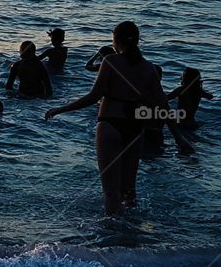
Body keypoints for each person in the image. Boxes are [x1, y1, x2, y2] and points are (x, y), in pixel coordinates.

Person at [45, 21, 183, 216]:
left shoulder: (110, 61)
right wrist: (178, 137)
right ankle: (132, 236)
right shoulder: (149, 68)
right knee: (129, 192)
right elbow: (163, 106)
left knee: (111, 193)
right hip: (135, 129)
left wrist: (61, 109)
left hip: (110, 123)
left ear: (115, 40)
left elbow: (93, 96)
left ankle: (111, 239)